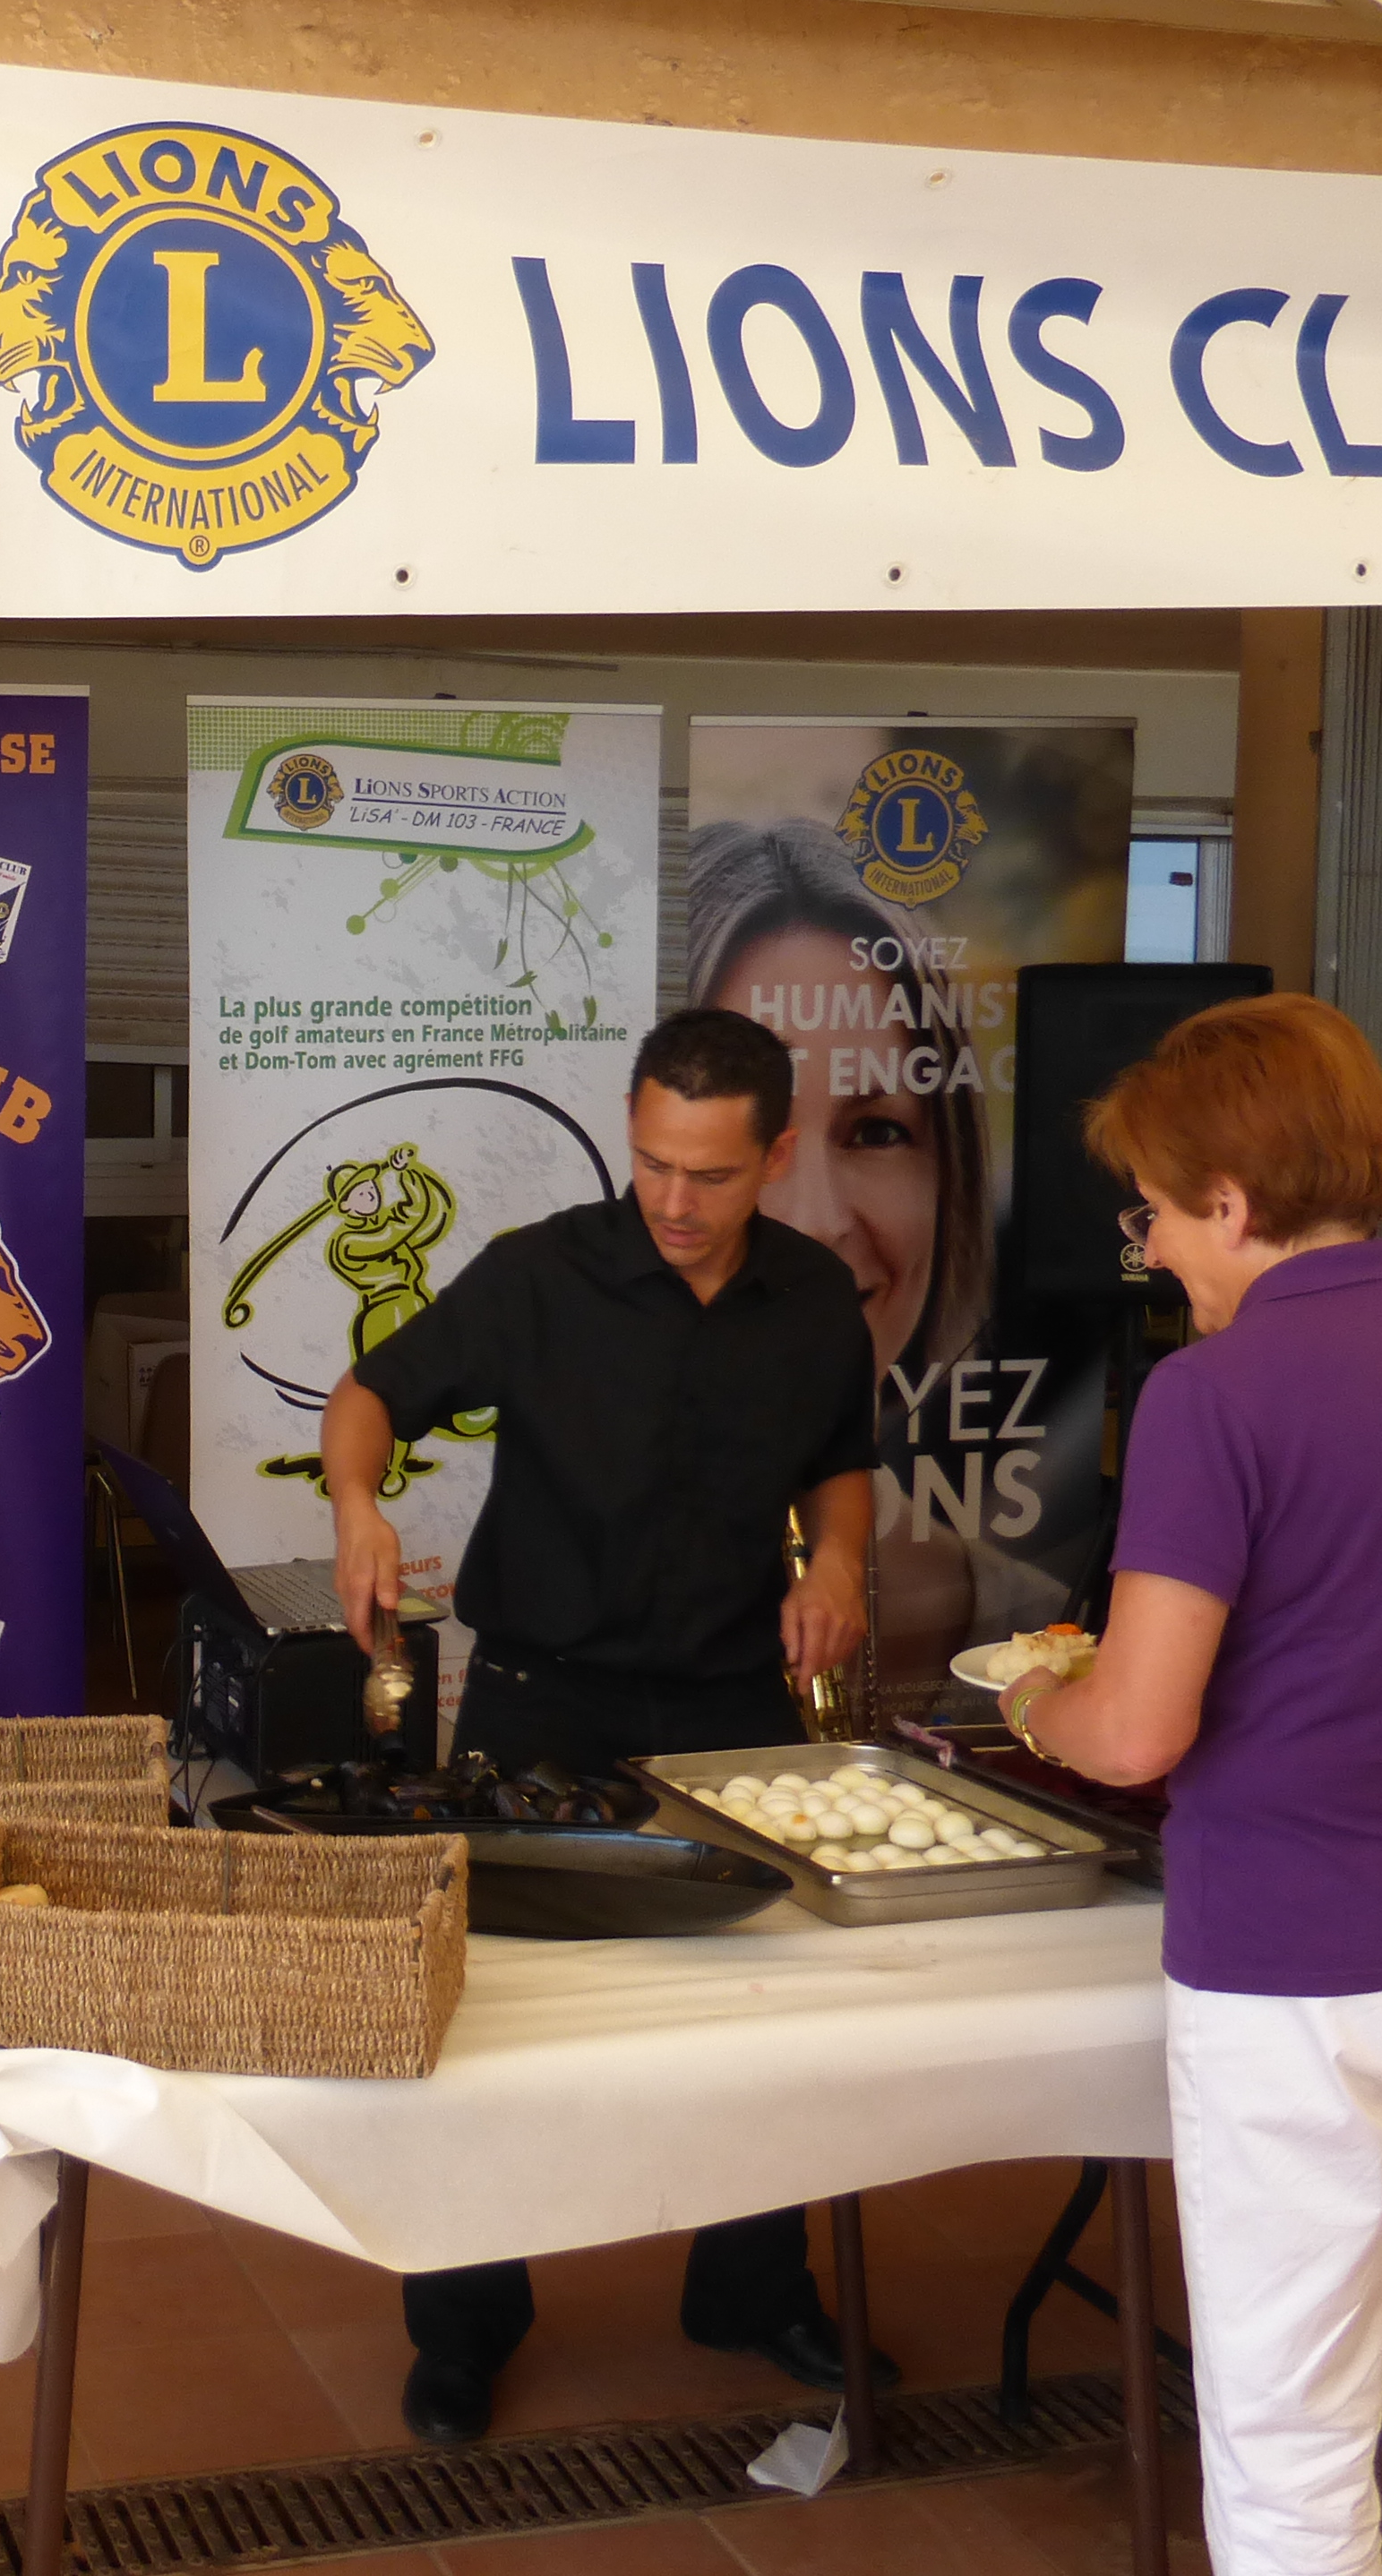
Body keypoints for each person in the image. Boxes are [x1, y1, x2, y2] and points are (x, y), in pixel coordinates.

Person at [1004, 993, 1382, 2576]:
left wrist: (1035, 1701)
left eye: (1153, 1212)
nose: (1150, 1249)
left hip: (1303, 1964)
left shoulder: (1213, 1396)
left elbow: (1137, 1731)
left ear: (1230, 1202)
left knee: (1287, 2428)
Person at [323, 1005, 881, 2445]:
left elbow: (839, 1460)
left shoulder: (817, 1297)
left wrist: (840, 1565)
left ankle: (750, 2287)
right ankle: (465, 2326)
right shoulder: (542, 1276)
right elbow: (371, 1394)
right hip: (543, 1693)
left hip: (731, 1698)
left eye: (712, 1174)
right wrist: (358, 1506)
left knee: (767, 2022)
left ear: (777, 1156)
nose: (676, 1202)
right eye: (654, 1164)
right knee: (488, 2021)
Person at [690, 816, 1060, 1658]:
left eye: (878, 1132)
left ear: (952, 1171)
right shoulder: (573, 1602)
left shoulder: (1029, 1624)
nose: (819, 1220)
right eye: (757, 1134)